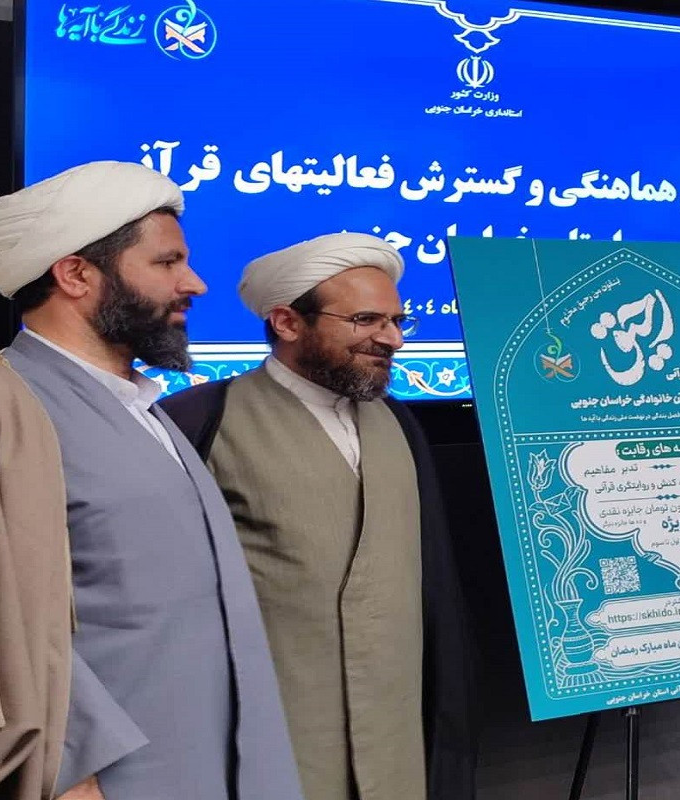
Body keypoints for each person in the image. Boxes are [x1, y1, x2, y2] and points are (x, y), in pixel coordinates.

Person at [0, 161, 303, 800]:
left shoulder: (147, 409)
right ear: (76, 274)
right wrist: (68, 773)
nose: (195, 283)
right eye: (167, 262)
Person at [160, 233, 475, 800]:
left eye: (397, 321)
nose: (393, 339)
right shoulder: (200, 421)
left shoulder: (398, 422)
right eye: (365, 320)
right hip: (274, 739)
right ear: (287, 322)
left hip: (397, 739)